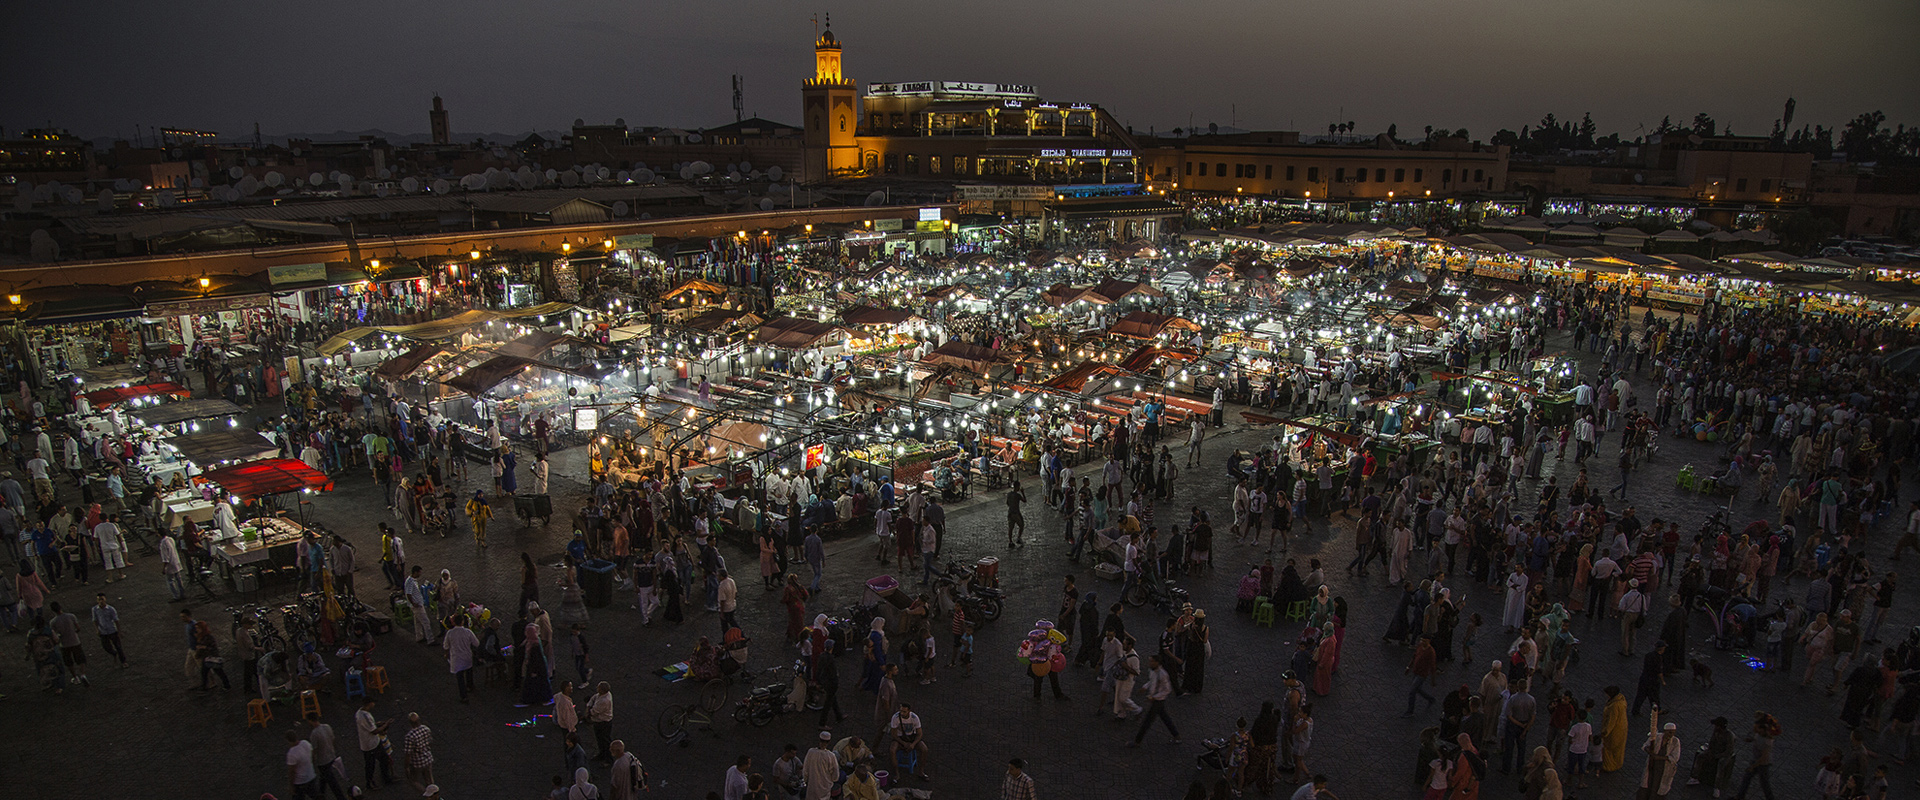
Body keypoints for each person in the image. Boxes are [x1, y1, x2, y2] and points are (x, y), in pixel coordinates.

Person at [1131, 654, 1181, 745]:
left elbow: (1167, 689)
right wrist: (1145, 687)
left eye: (1152, 661)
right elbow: (1151, 681)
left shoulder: (1163, 674)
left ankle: (1137, 741)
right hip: (1155, 700)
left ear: (1157, 663)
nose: (1150, 663)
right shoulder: (1152, 671)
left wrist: (1155, 697)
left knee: (1147, 721)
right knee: (1165, 718)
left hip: (1158, 701)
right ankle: (1176, 735)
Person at [355, 697, 396, 789]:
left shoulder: (359, 713)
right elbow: (374, 731)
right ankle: (370, 783)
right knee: (370, 765)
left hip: (374, 742)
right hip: (370, 745)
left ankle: (386, 778)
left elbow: (370, 726)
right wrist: (386, 724)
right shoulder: (365, 717)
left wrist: (378, 724)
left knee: (384, 759)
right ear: (369, 703)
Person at [47, 601, 89, 687]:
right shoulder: (71, 616)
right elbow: (78, 628)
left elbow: (54, 635)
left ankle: (75, 677)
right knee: (80, 659)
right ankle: (83, 674)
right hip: (75, 641)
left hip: (64, 644)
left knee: (69, 662)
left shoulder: (53, 622)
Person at [442, 614, 480, 702]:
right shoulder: (468, 632)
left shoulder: (450, 633)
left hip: (456, 658)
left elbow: (446, 646)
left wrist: (446, 654)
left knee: (460, 678)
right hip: (467, 657)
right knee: (469, 672)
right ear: (462, 622)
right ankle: (470, 686)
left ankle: (464, 696)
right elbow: (476, 643)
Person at [1640, 722, 1681, 799]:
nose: (1671, 734)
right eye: (1669, 732)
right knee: (1647, 785)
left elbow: (1675, 757)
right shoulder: (1656, 737)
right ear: (1665, 731)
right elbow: (1645, 746)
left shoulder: (1675, 741)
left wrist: (1658, 757)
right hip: (1652, 766)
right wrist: (1650, 752)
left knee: (1659, 788)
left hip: (1664, 769)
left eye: (1673, 732)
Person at [888, 703, 930, 780]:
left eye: (904, 712)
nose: (902, 713)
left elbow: (920, 734)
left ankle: (921, 772)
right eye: (901, 711)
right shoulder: (895, 717)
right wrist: (903, 743)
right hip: (900, 738)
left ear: (909, 711)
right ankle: (896, 774)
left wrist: (913, 744)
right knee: (892, 750)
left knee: (925, 749)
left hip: (912, 737)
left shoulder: (915, 718)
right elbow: (894, 734)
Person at [91, 593, 125, 667]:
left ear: (105, 599)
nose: (101, 601)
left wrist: (119, 631)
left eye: (102, 599)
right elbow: (94, 620)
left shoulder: (111, 609)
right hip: (103, 631)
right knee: (106, 647)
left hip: (112, 630)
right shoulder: (95, 609)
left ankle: (123, 661)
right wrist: (97, 629)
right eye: (99, 599)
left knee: (118, 647)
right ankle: (114, 653)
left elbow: (116, 620)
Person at [803, 730, 839, 800]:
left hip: (812, 785)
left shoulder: (811, 752)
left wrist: (805, 780)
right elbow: (835, 774)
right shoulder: (831, 756)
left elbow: (805, 769)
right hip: (825, 786)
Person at [403, 712, 435, 793]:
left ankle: (426, 794)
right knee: (429, 779)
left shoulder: (409, 736)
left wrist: (406, 767)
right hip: (428, 758)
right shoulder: (426, 729)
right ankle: (433, 793)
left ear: (410, 723)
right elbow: (430, 742)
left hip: (417, 762)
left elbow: (408, 754)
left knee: (413, 780)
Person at [287, 728, 319, 800]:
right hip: (311, 776)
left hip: (300, 782)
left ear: (288, 740)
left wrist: (291, 785)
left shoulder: (291, 753)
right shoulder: (305, 743)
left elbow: (292, 771)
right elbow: (313, 756)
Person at [588, 681, 615, 762]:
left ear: (602, 690)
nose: (597, 688)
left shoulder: (604, 701)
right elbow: (594, 697)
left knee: (605, 741)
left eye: (598, 688)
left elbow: (594, 711)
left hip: (603, 722)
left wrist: (588, 712)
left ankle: (608, 759)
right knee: (600, 740)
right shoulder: (604, 695)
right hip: (601, 721)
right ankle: (602, 754)